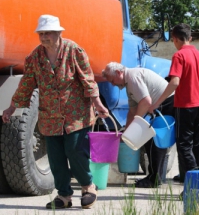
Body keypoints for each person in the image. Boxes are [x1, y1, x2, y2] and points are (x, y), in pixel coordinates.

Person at [2, 15, 108, 209]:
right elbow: (26, 84)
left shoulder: (74, 50)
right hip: (49, 116)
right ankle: (64, 196)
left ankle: (88, 186)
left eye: (48, 33)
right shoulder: (35, 57)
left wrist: (97, 103)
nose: (44, 37)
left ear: (58, 33)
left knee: (75, 151)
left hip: (75, 114)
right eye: (41, 33)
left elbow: (88, 80)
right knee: (56, 157)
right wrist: (11, 107)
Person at [149, 23, 199, 184]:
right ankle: (193, 183)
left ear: (174, 39)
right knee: (195, 146)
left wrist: (156, 103)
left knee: (183, 147)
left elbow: (174, 82)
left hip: (184, 107)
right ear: (190, 38)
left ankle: (197, 182)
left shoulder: (179, 56)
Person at [102, 62, 174, 188]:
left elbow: (146, 102)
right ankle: (155, 176)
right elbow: (133, 111)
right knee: (151, 140)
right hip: (161, 104)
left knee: (154, 140)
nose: (113, 84)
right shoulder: (129, 85)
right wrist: (126, 132)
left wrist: (137, 124)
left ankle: (154, 179)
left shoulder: (133, 77)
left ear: (119, 73)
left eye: (112, 80)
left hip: (166, 104)